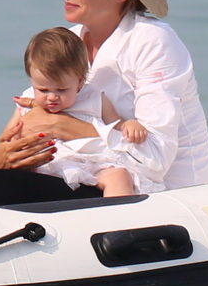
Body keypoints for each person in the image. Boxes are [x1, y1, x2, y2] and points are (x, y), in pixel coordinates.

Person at [0, 0, 208, 190]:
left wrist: (60, 126)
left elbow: (153, 160)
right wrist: (0, 159)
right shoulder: (67, 41)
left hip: (166, 195)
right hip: (83, 181)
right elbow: (32, 122)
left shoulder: (153, 41)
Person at [9, 27, 162, 197]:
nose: (52, 97)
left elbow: (116, 124)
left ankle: (117, 212)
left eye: (61, 90)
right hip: (45, 162)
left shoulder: (94, 98)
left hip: (90, 162)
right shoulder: (27, 100)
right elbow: (11, 136)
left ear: (79, 82)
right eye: (43, 90)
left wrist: (130, 125)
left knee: (119, 176)